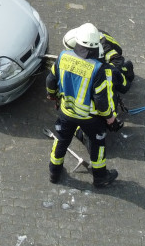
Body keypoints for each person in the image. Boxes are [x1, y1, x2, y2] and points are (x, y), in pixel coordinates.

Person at [45, 23, 120, 188]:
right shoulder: (98, 69)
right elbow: (101, 101)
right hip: (90, 118)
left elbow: (51, 80)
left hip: (66, 112)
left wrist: (52, 95)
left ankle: (54, 172)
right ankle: (100, 177)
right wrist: (110, 118)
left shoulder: (63, 56)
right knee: (97, 144)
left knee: (61, 141)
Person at [61, 23, 134, 95]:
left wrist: (104, 72)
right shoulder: (82, 36)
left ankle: (127, 68)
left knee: (122, 85)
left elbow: (117, 60)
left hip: (113, 57)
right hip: (97, 51)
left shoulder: (103, 46)